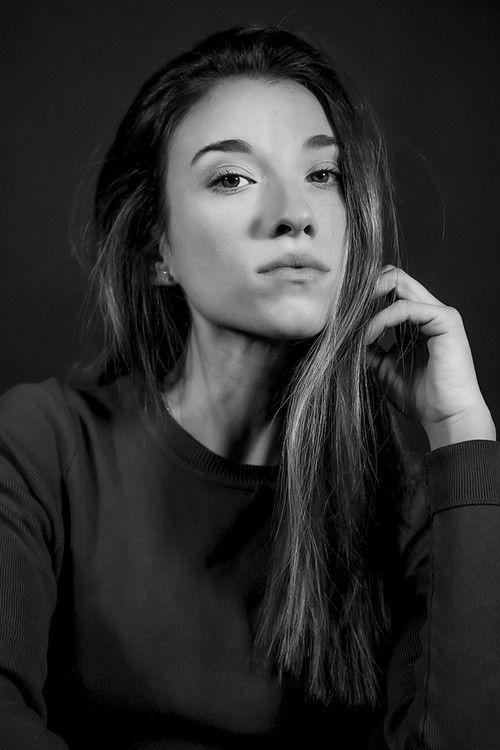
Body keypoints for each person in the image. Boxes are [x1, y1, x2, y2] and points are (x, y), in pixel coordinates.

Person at [0, 23, 498, 750]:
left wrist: (461, 433)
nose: (295, 214)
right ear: (157, 249)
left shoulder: (409, 504)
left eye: (323, 175)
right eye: (232, 178)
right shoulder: (42, 447)